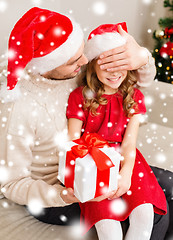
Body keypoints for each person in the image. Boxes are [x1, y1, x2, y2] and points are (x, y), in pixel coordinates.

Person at [0, 7, 172, 240]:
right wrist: (62, 194)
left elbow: (140, 80)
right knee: (153, 215)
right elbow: (11, 185)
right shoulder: (18, 110)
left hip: (102, 161)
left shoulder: (74, 72)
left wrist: (142, 57)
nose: (84, 60)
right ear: (49, 65)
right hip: (57, 190)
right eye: (74, 60)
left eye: (83, 52)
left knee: (167, 189)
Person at [66, 22, 167, 240]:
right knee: (108, 228)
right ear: (92, 65)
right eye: (106, 65)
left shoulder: (134, 97)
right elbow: (73, 143)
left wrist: (125, 173)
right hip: (93, 163)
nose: (115, 73)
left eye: (119, 64)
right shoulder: (79, 97)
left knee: (144, 214)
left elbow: (130, 143)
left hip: (127, 160)